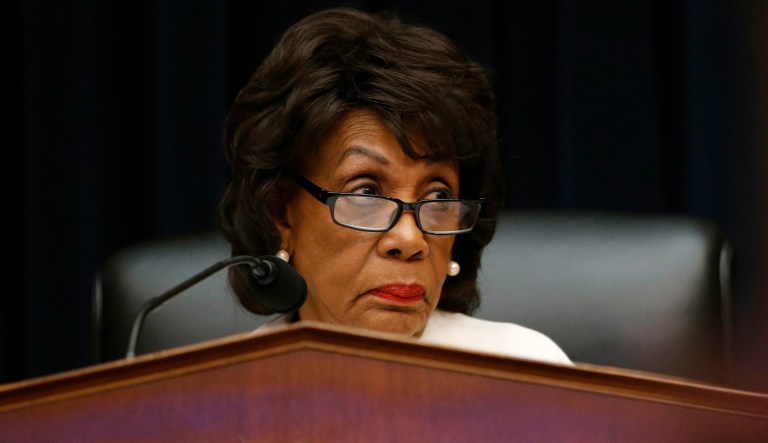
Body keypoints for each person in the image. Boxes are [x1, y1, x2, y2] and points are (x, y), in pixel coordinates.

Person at [217, 7, 571, 365]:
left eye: (438, 196)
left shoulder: (528, 371)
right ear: (281, 213)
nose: (410, 240)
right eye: (366, 192)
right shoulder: (226, 397)